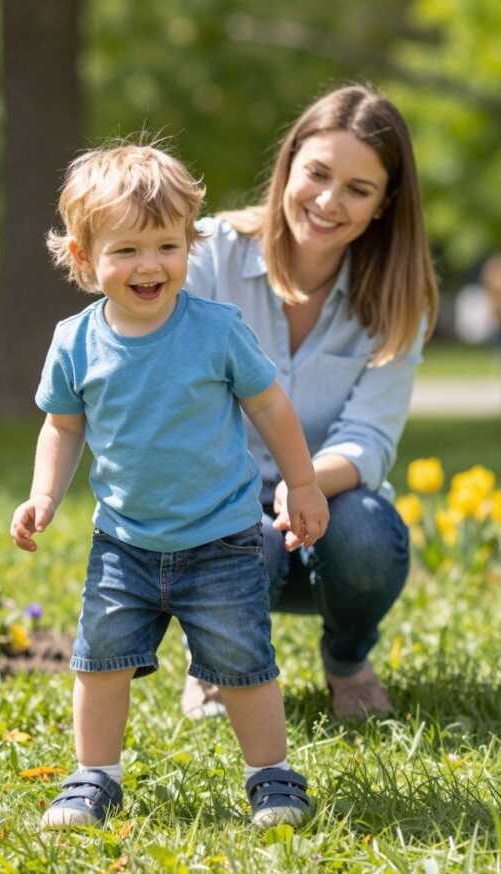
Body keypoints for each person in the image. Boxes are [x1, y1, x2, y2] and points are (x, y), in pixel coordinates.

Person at [9, 143, 330, 830]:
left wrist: (302, 483)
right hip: (123, 545)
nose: (150, 265)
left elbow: (271, 407)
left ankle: (271, 775)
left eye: (167, 246)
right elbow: (62, 427)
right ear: (84, 258)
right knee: (99, 663)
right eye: (126, 250)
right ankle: (94, 777)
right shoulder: (75, 343)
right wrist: (43, 497)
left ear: (191, 245)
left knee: (244, 664)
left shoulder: (216, 329)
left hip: (222, 541)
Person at [183, 85, 439, 722]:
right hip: (220, 514)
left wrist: (301, 486)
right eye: (318, 173)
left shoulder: (401, 298)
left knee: (369, 533)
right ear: (289, 164)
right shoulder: (209, 254)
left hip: (327, 514)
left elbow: (369, 440)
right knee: (248, 541)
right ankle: (214, 662)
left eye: (358, 189)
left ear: (384, 204)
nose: (328, 202)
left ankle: (347, 662)